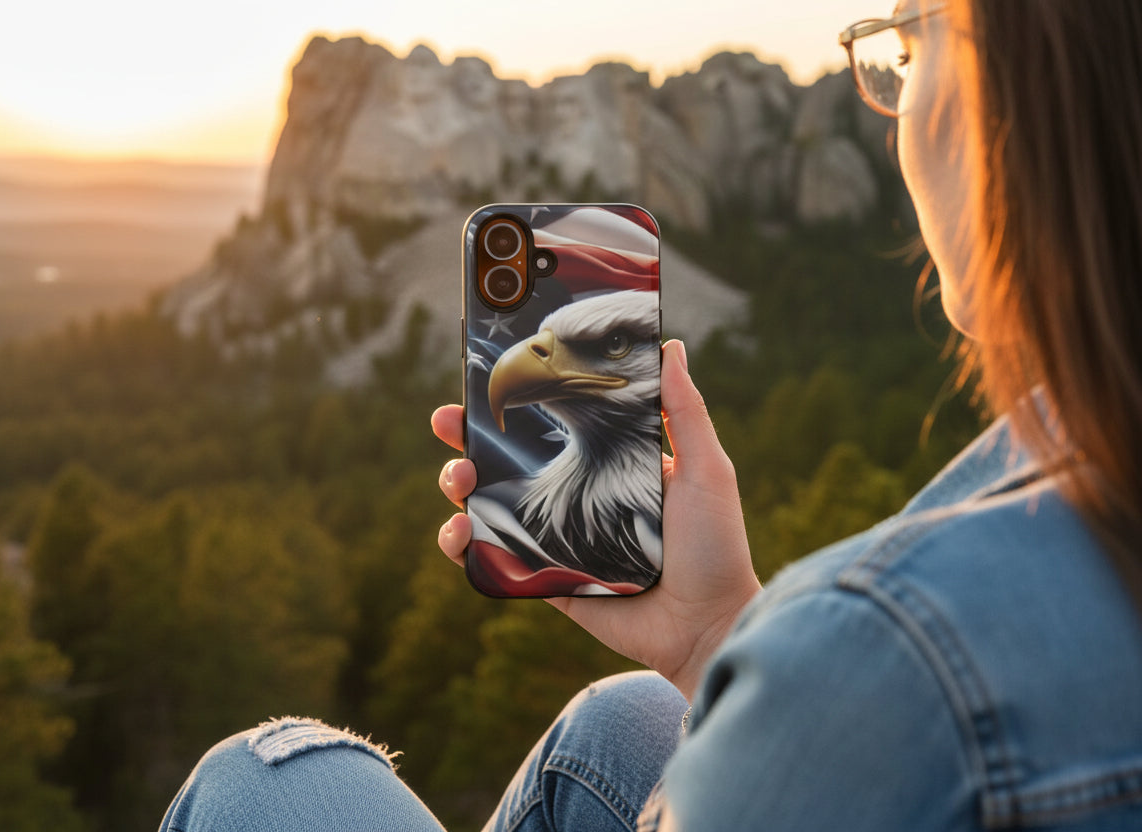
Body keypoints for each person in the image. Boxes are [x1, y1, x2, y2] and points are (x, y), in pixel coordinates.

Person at [159, 0, 1142, 829]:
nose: (894, 106)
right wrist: (718, 629)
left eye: (911, 45)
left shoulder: (893, 654)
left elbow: (877, 698)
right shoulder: (1075, 484)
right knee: (626, 715)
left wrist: (804, 666)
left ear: (1015, 100)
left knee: (270, 776)